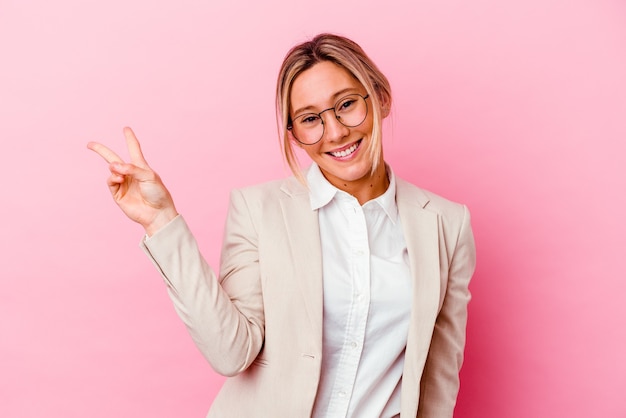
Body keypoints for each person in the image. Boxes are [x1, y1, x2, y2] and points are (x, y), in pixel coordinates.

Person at [88, 33, 476, 418]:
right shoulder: (258, 210)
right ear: (295, 136)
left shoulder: (447, 225)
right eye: (310, 119)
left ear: (380, 99)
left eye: (346, 105)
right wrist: (161, 221)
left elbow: (439, 376)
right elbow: (230, 352)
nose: (336, 132)